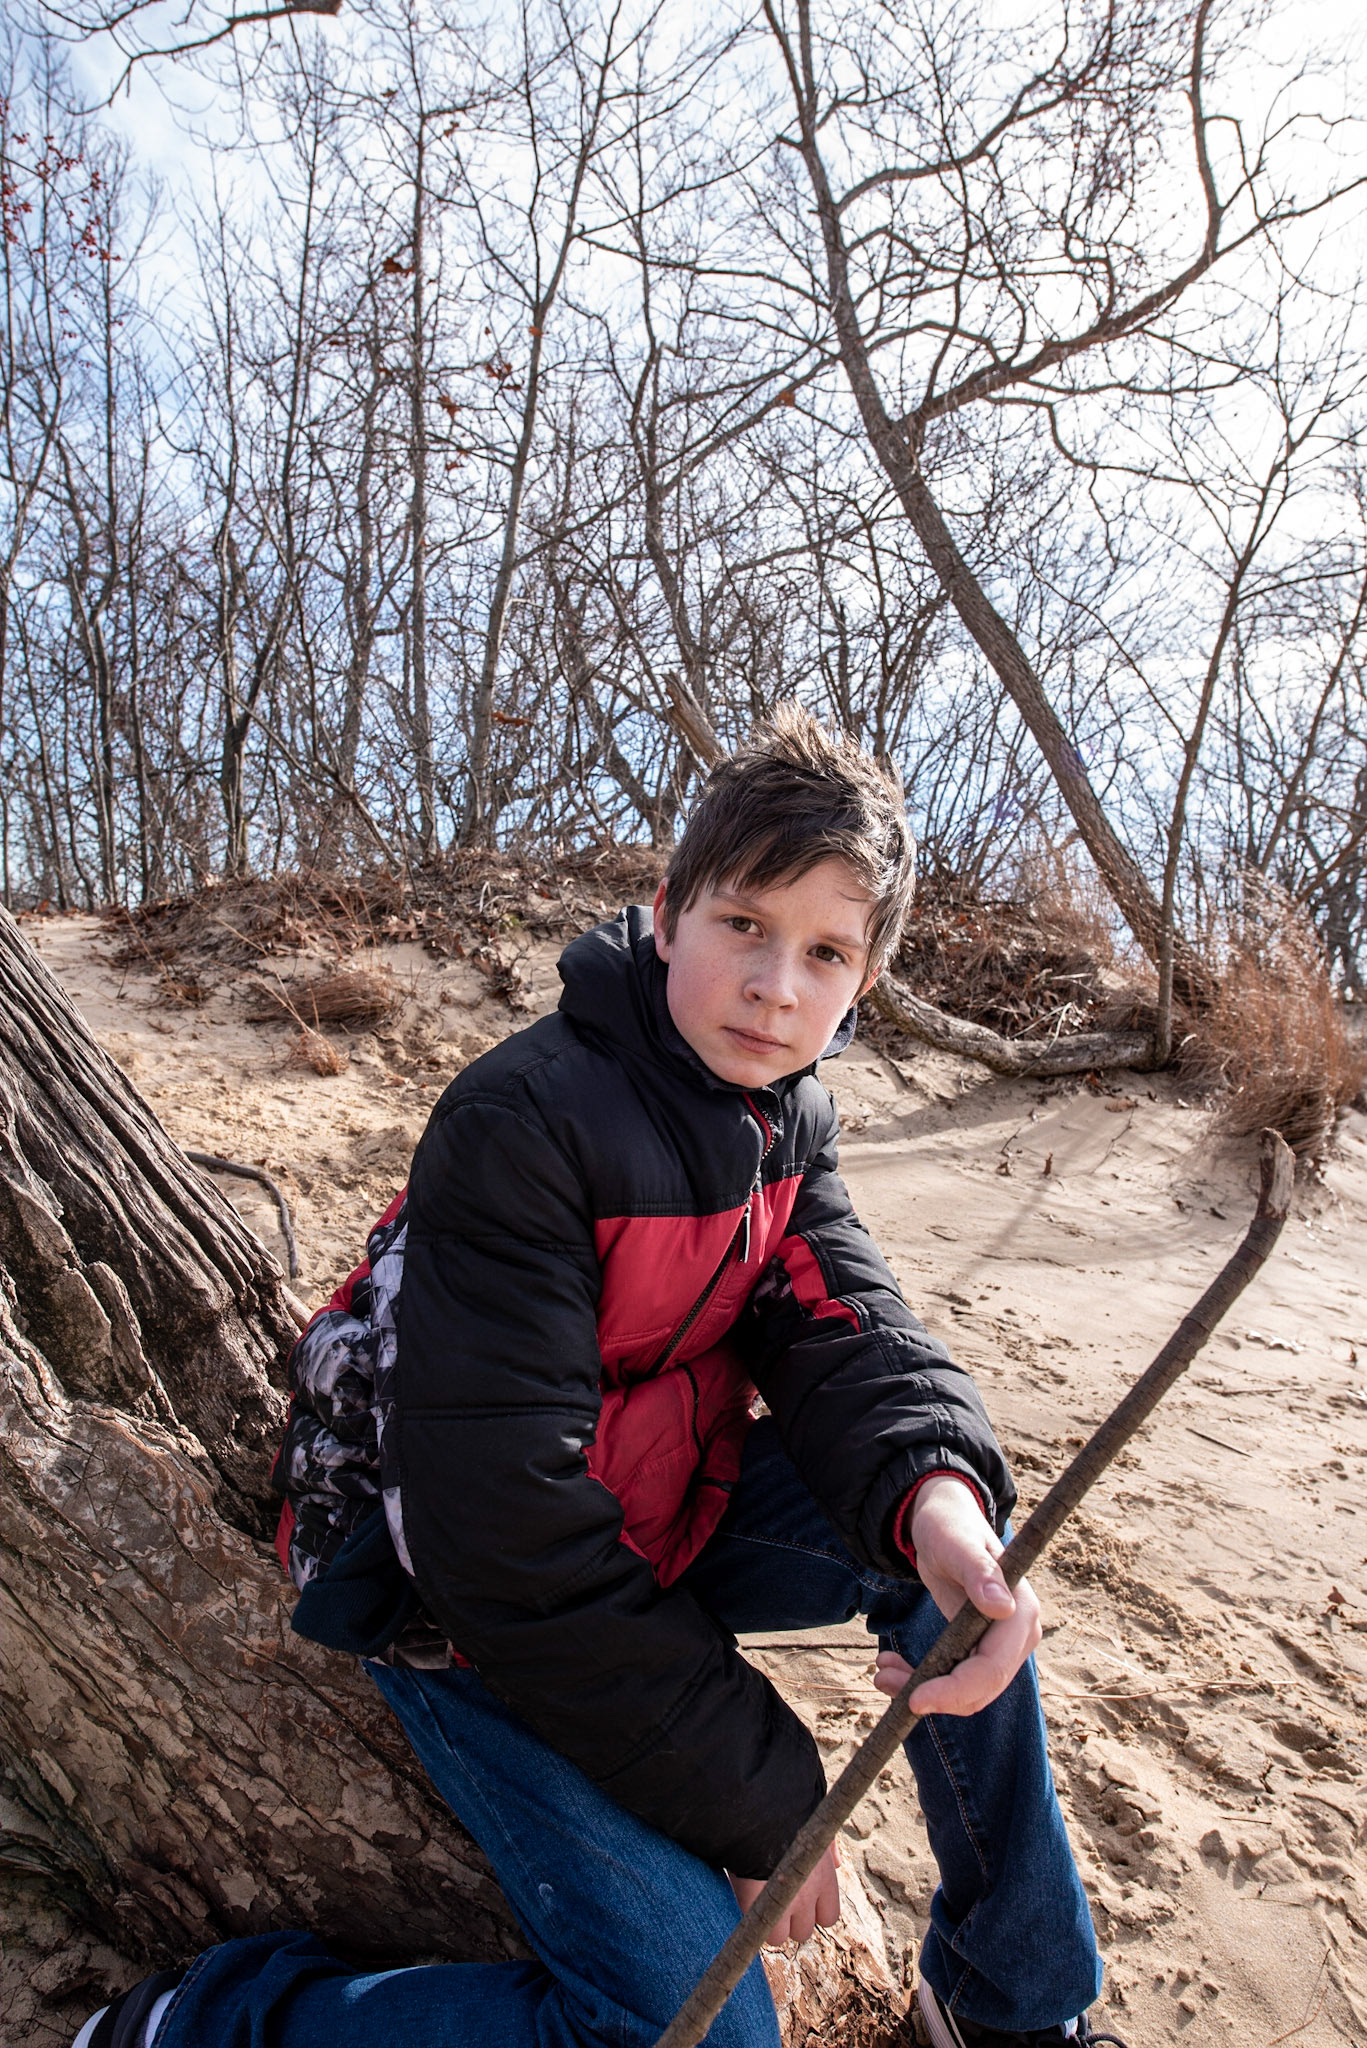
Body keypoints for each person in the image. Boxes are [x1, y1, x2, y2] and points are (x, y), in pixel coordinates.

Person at [74, 709, 1115, 2048]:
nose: (776, 985)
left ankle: (1010, 2002)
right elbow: (499, 1541)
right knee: (694, 2030)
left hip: (657, 1507)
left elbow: (847, 1327)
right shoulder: (527, 1120)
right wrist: (766, 1803)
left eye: (826, 953)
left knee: (959, 1559)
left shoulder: (787, 1118)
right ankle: (217, 2022)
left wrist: (940, 1502)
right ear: (669, 912)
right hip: (446, 1593)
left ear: (862, 983)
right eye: (745, 923)